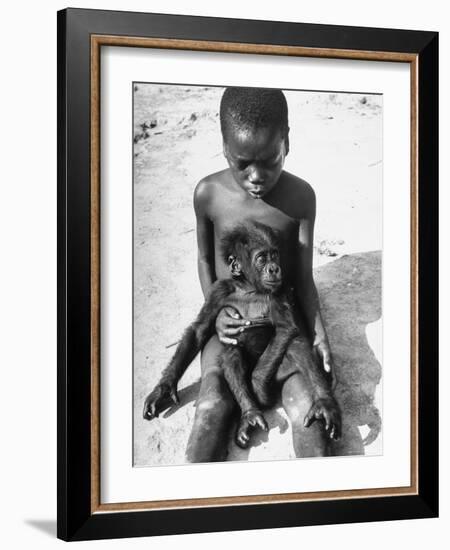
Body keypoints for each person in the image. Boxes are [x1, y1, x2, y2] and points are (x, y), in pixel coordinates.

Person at [185, 87, 334, 462]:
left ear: (287, 141)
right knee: (212, 406)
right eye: (243, 163)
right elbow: (205, 260)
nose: (256, 176)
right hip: (231, 330)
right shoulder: (208, 194)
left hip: (280, 327)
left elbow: (302, 277)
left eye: (271, 160)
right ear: (224, 147)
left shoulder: (301, 198)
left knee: (308, 408)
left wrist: (318, 334)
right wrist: (217, 312)